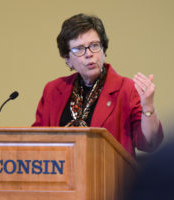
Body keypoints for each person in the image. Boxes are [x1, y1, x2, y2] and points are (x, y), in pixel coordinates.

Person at [32, 13, 163, 156]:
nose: (89, 54)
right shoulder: (53, 90)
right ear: (67, 59)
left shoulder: (126, 89)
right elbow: (36, 142)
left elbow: (150, 143)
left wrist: (148, 106)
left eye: (94, 45)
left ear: (103, 50)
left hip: (109, 176)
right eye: (79, 49)